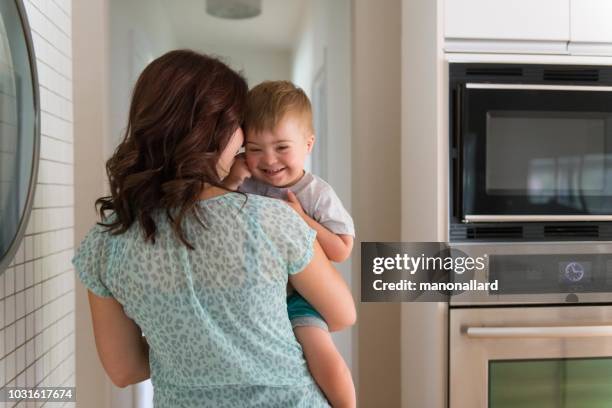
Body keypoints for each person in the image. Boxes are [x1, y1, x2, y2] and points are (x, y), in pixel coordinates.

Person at [72, 50, 356, 408]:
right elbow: (343, 314)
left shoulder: (105, 244)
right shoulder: (273, 218)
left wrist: (194, 349)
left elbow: (124, 369)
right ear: (218, 131)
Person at [223, 80, 356, 408]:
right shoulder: (246, 183)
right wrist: (231, 179)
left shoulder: (317, 194)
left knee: (322, 355)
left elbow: (342, 249)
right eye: (255, 149)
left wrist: (301, 219)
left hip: (300, 299)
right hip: (256, 297)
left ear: (308, 144)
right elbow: (217, 216)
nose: (269, 159)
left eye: (282, 147)